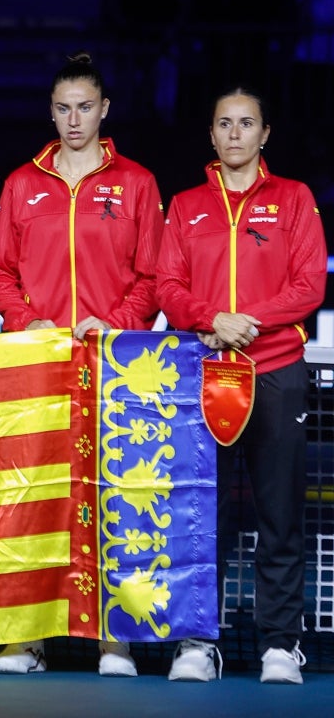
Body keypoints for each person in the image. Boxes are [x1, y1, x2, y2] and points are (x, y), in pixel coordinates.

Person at [0, 52, 165, 676]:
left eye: (85, 107)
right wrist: (27, 322)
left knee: (115, 497)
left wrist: (113, 323)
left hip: (114, 364)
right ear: (51, 112)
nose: (73, 119)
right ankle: (26, 638)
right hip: (40, 364)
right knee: (34, 499)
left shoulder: (137, 182)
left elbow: (152, 275)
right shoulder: (20, 184)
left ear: (105, 109)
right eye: (62, 108)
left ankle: (115, 638)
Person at [156, 86, 327, 685]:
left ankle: (280, 644)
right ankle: (198, 641)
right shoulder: (184, 206)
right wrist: (211, 319)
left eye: (246, 123)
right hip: (204, 374)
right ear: (211, 135)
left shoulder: (294, 200)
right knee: (204, 514)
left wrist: (243, 320)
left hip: (276, 370)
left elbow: (310, 286)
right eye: (224, 123)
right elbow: (166, 287)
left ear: (265, 133)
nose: (234, 133)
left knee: (279, 514)